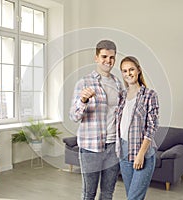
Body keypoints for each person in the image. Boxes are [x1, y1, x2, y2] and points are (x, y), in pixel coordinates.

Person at [69, 40, 123, 200]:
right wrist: (83, 101)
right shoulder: (84, 83)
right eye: (104, 56)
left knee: (108, 193)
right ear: (96, 58)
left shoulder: (118, 83)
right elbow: (73, 116)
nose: (108, 61)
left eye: (112, 57)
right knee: (89, 193)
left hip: (114, 146)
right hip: (90, 146)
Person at [116, 56, 159, 200]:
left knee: (133, 198)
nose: (128, 73)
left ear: (139, 70)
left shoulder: (149, 95)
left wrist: (141, 154)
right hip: (123, 152)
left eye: (131, 69)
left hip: (143, 153)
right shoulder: (121, 96)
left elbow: (152, 127)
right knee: (131, 196)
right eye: (124, 71)